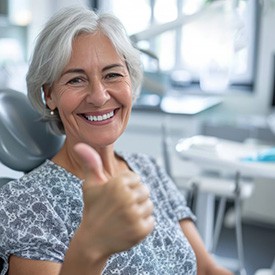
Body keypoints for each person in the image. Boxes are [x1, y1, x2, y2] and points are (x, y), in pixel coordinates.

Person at [0, 6, 233, 275]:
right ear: (49, 95)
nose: (99, 97)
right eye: (76, 79)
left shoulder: (148, 169)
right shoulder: (25, 201)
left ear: (130, 82)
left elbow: (206, 269)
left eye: (112, 74)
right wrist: (92, 245)